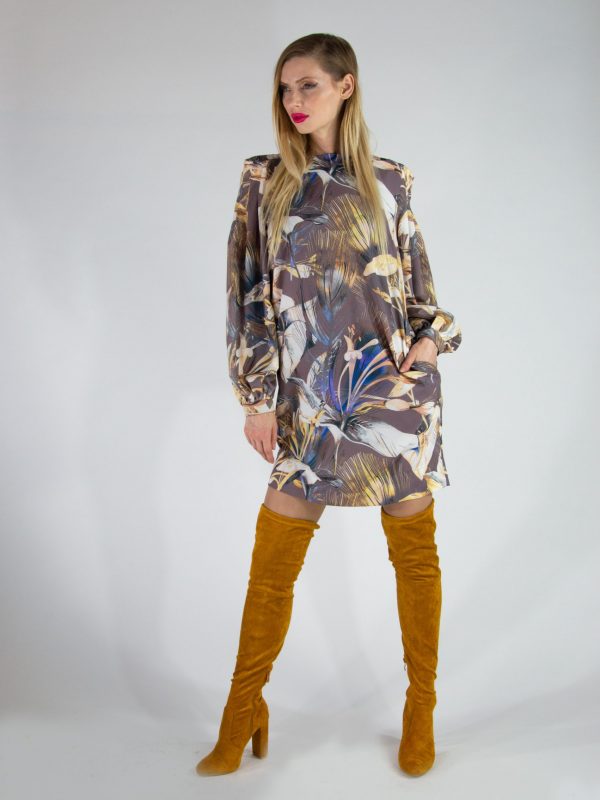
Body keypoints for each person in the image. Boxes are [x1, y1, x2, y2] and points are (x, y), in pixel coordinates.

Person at [196, 32, 462, 779]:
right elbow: (247, 295)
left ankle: (421, 707)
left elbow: (422, 295)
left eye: (308, 85)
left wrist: (429, 346)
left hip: (393, 395)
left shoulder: (390, 180)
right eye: (285, 89)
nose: (293, 101)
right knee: (272, 566)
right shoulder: (264, 180)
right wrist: (256, 398)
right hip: (310, 402)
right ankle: (242, 709)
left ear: (347, 86)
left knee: (415, 558)